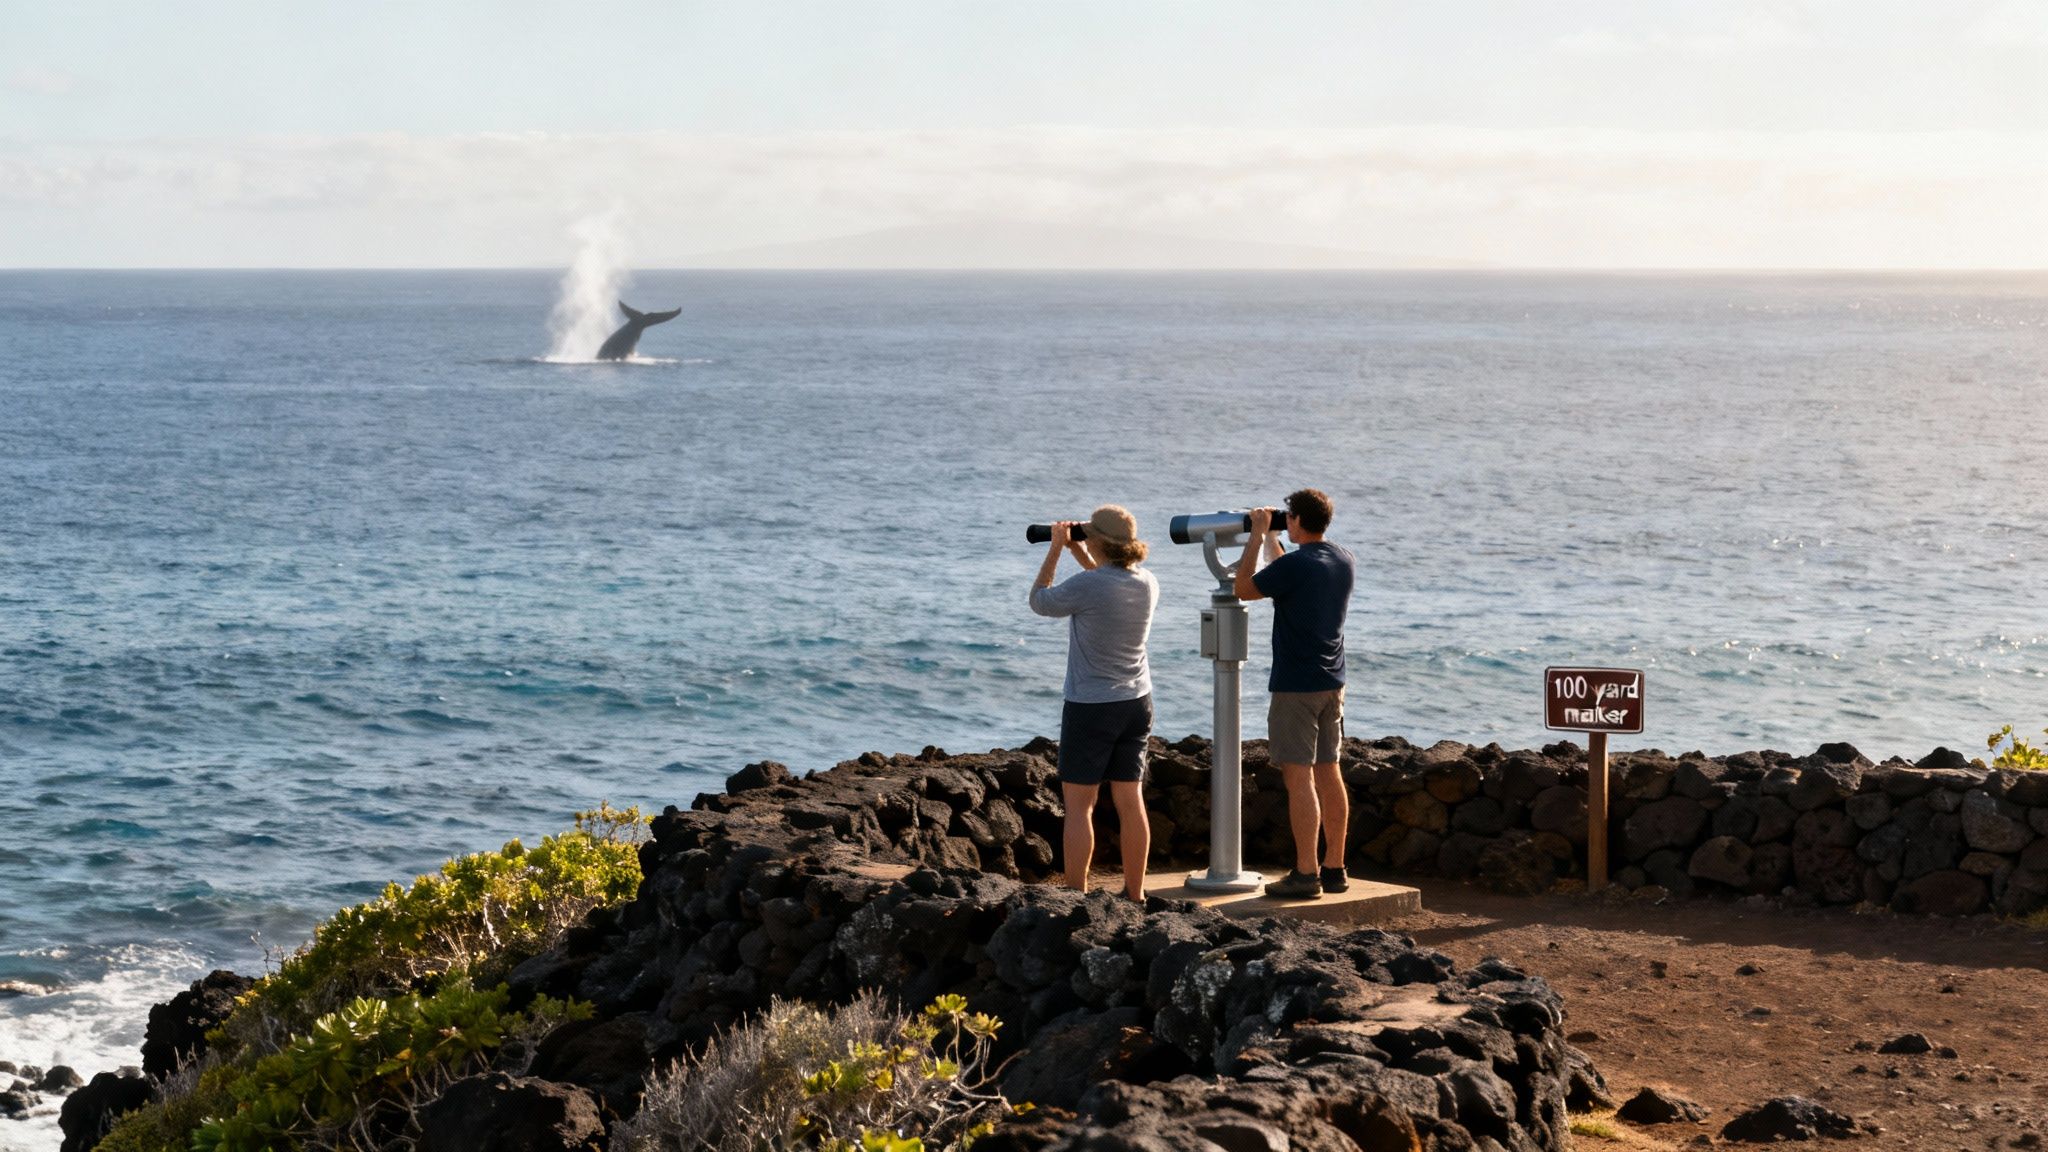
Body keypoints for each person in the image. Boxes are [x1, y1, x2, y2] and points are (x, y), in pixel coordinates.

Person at [1029, 505, 1158, 901]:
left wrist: (1054, 549)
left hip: (1091, 706)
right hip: (1136, 702)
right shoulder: (1147, 582)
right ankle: (1135, 894)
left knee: (1080, 805)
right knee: (1129, 800)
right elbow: (1102, 580)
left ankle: (1076, 892)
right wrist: (1078, 551)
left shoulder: (1089, 588)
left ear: (1098, 540)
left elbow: (1040, 601)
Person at [1233, 488, 1355, 899]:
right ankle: (1334, 867)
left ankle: (1306, 874)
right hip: (1332, 682)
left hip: (1296, 686)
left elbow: (1245, 589)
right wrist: (1272, 538)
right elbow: (1289, 574)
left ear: (1298, 520)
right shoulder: (1340, 558)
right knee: (1329, 771)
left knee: (1298, 778)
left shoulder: (1297, 565)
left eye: (1288, 516)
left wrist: (1256, 534)